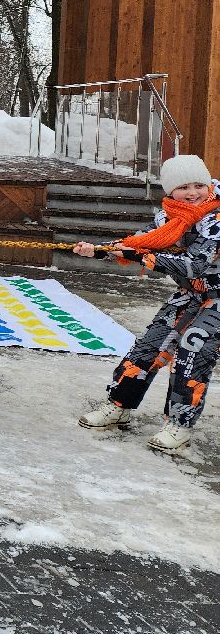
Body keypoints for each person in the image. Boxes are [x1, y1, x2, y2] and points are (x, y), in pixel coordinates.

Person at [74, 155, 220, 453]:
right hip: (191, 295)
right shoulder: (168, 218)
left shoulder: (216, 219)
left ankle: (179, 423)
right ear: (169, 192)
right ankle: (119, 405)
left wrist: (144, 257)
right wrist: (101, 251)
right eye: (183, 187)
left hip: (217, 298)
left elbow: (196, 264)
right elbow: (141, 242)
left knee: (193, 348)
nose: (193, 193)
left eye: (198, 185)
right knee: (150, 345)